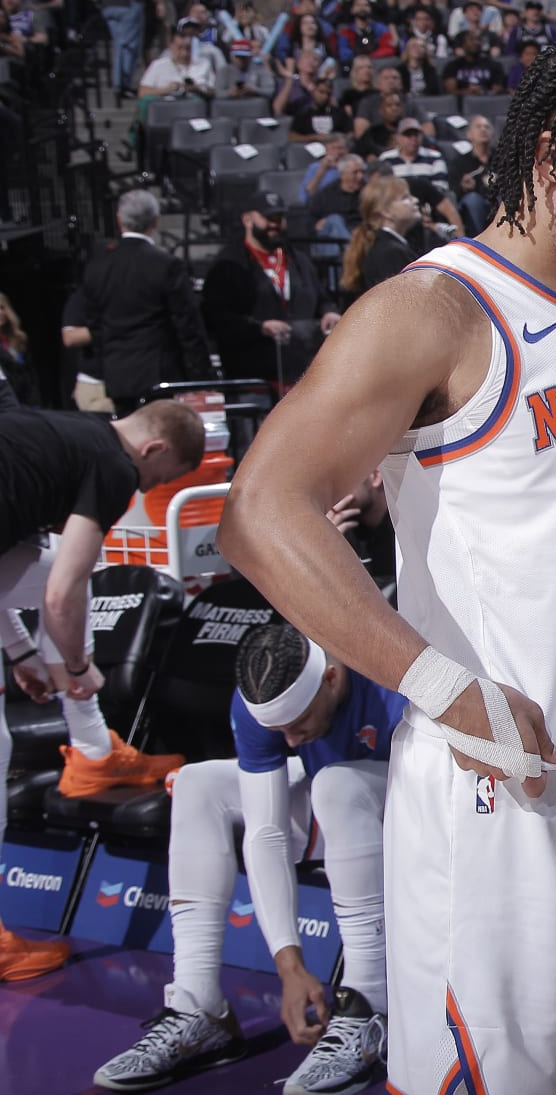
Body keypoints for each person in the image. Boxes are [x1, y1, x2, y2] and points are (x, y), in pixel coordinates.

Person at [217, 31, 556, 1095]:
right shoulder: (436, 307)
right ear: (555, 155)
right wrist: (437, 683)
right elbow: (258, 508)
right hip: (508, 792)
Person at [92, 624, 401, 1093]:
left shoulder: (385, 675)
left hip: (421, 819)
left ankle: (367, 1006)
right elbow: (266, 832)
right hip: (342, 808)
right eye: (280, 731)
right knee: (197, 783)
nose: (293, 741)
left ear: (332, 678)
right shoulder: (264, 705)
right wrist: (289, 965)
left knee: (337, 783)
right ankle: (200, 1008)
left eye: (299, 724)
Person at [0, 400, 204, 977]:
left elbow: (14, 571)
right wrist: (77, 665)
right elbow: (63, 595)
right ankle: (91, 751)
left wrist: (20, 653)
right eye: (156, 481)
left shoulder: (65, 433)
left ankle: (92, 753)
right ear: (154, 450)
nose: (144, 493)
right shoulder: (113, 465)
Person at [68, 190, 214, 413]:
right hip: (160, 376)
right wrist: (203, 377)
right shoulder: (167, 265)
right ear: (155, 221)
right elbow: (188, 325)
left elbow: (94, 322)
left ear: (119, 219)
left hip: (117, 376)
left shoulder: (98, 267)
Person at [202, 192, 339, 392]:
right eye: (268, 218)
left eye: (279, 218)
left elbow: (321, 297)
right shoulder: (229, 265)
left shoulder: (297, 260)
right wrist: (259, 327)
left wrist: (329, 311)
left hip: (301, 374)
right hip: (255, 377)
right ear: (247, 220)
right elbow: (217, 317)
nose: (275, 224)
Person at [341, 174, 424, 302]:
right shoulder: (390, 252)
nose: (416, 200)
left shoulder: (387, 246)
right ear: (386, 211)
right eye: (405, 197)